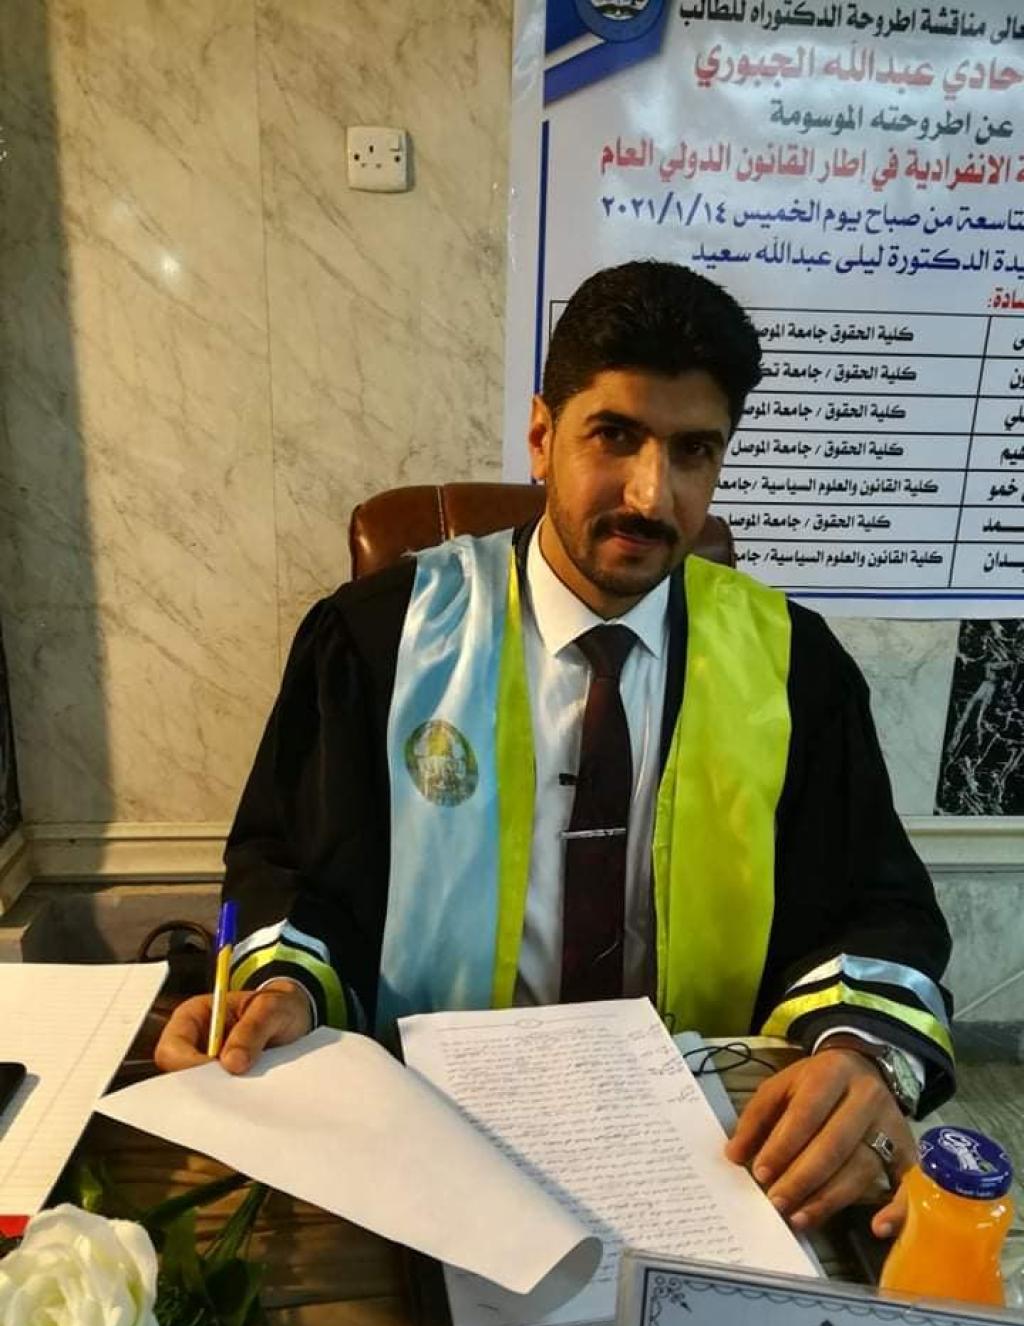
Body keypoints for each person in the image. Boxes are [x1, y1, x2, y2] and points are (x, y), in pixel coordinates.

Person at [156, 261, 953, 1240]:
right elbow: (288, 867)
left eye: (694, 451)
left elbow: (874, 902)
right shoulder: (378, 641)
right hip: (429, 1130)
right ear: (542, 436)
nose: (652, 496)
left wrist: (861, 1052)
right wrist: (282, 986)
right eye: (614, 436)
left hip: (704, 1145)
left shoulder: (795, 669)